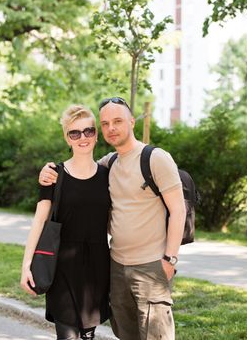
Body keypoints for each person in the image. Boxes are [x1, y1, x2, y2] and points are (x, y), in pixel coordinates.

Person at [39, 97, 186, 340]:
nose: (111, 128)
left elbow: (178, 210)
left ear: (132, 121)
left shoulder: (156, 158)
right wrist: (48, 171)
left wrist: (169, 260)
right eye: (105, 123)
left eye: (117, 121)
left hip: (151, 266)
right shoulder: (109, 163)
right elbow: (80, 174)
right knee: (126, 335)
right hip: (116, 266)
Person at [21, 105, 111, 340]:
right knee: (68, 336)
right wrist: (26, 266)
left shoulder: (108, 175)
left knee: (88, 335)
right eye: (75, 133)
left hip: (97, 269)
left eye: (88, 131)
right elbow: (39, 221)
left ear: (96, 135)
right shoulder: (54, 175)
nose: (83, 138)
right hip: (61, 267)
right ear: (67, 138)